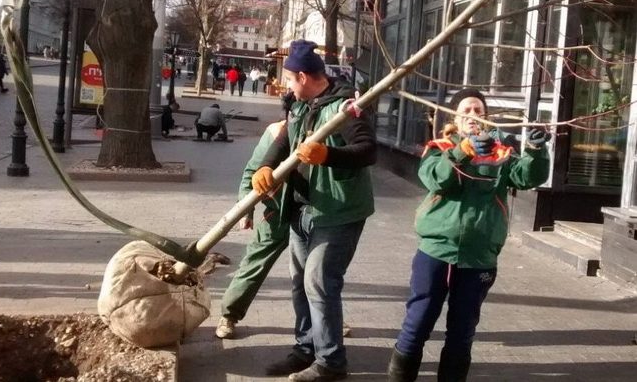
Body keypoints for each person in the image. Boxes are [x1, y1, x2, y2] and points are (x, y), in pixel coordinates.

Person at [386, 88, 551, 382]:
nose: (474, 116)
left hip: (479, 258)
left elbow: (528, 176)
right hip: (436, 252)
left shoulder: (502, 153)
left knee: (462, 333)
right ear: (455, 117)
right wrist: (464, 150)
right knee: (418, 323)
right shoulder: (440, 147)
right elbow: (435, 179)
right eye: (468, 111)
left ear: (486, 118)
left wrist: (538, 152)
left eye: (479, 111)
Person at [252, 39, 376, 381]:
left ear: (304, 77)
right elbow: (283, 142)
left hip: (337, 211)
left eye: (290, 79)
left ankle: (331, 363)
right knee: (299, 284)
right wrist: (265, 167)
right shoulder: (300, 106)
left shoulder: (346, 107)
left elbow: (367, 150)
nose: (287, 85)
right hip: (302, 210)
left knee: (319, 283)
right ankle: (306, 349)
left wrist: (328, 156)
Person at [215, 92, 296, 339]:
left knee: (318, 272)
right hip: (278, 212)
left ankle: (327, 321)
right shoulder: (275, 133)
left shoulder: (323, 131)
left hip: (312, 214)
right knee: (255, 264)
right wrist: (246, 210)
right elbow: (252, 171)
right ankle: (229, 314)